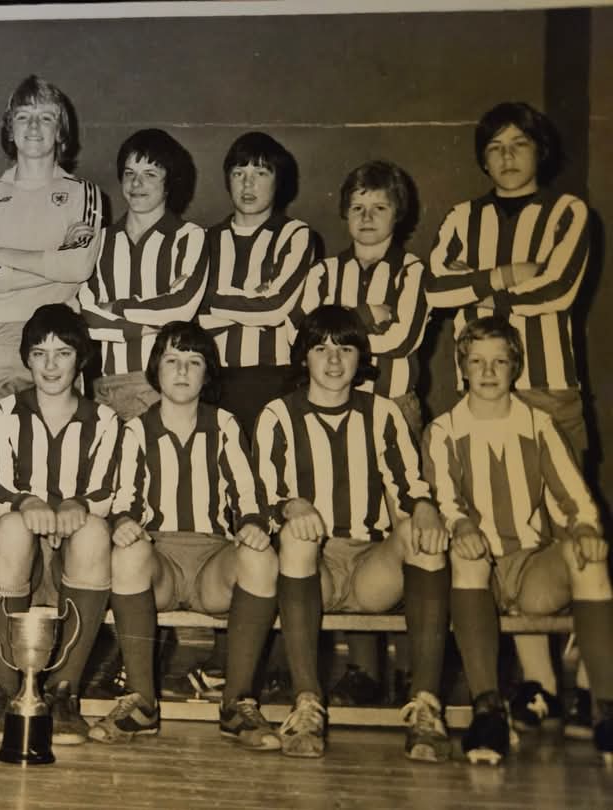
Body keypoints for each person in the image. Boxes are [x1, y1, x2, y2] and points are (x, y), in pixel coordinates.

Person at [426, 102, 592, 735]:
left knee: (562, 533)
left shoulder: (568, 213)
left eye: (520, 143)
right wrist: (503, 274)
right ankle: (538, 686)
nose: (507, 155)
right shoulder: (463, 217)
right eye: (495, 146)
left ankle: (583, 675)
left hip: (547, 390)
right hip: (480, 400)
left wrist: (480, 287)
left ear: (539, 151)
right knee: (499, 538)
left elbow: (559, 290)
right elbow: (434, 293)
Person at [254, 305, 450, 761]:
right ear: (303, 357)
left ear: (360, 357)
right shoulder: (278, 414)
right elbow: (264, 493)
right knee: (297, 537)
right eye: (321, 348)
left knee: (425, 536)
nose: (334, 360)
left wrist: (424, 508)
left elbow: (409, 486)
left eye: (345, 348)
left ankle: (425, 706)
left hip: (369, 568)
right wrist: (291, 504)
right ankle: (307, 702)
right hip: (312, 570)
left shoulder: (382, 412)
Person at [423, 315, 613, 765]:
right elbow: (445, 502)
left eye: (500, 362)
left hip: (530, 571)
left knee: (587, 557)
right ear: (462, 367)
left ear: (515, 367)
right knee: (466, 556)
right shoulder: (444, 431)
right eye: (477, 362)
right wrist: (463, 528)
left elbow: (577, 499)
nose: (488, 372)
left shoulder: (540, 424)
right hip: (477, 571)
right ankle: (488, 710)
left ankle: (606, 708)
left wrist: (586, 530)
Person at [89, 321, 278, 751]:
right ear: (156, 369)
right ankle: (141, 701)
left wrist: (252, 524)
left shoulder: (225, 424)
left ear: (207, 374)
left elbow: (249, 495)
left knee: (262, 557)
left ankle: (238, 704)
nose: (181, 371)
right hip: (162, 564)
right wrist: (122, 524)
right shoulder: (136, 428)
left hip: (213, 561)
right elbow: (122, 498)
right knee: (127, 552)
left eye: (193, 362)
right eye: (172, 361)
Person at [298, 160, 428, 706]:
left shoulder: (413, 269)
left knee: (396, 529)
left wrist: (347, 320)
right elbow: (306, 325)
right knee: (344, 523)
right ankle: (360, 670)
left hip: (392, 405)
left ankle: (412, 672)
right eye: (357, 208)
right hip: (334, 405)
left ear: (398, 213)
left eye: (379, 207)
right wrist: (364, 313)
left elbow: (402, 335)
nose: (368, 218)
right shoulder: (326, 269)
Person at [0, 304, 119, 746]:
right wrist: (29, 501)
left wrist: (74, 506)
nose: (51, 365)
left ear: (81, 359)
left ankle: (63, 692)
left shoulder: (105, 419)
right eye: (39, 353)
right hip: (19, 554)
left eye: (62, 353)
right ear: (26, 358)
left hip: (69, 554)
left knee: (92, 529)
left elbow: (107, 489)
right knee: (15, 526)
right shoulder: (4, 413)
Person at [0, 75, 103, 432]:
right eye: (24, 116)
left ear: (61, 131)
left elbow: (80, 265)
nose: (34, 126)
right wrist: (56, 259)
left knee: (60, 448)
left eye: (46, 117)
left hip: (58, 334)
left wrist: (4, 253)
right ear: (10, 130)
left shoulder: (84, 193)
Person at [198, 131, 321, 441]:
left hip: (274, 377)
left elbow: (274, 307)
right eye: (239, 173)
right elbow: (188, 314)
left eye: (260, 173)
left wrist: (208, 299)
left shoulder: (295, 234)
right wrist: (252, 299)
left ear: (278, 181)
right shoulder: (204, 240)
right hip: (214, 379)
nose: (248, 184)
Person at [78, 128, 207, 421]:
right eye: (129, 173)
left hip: (161, 386)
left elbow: (181, 309)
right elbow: (86, 318)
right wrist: (151, 325)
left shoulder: (189, 237)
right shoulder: (100, 241)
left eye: (150, 173)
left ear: (169, 182)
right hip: (102, 387)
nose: (137, 183)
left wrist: (115, 307)